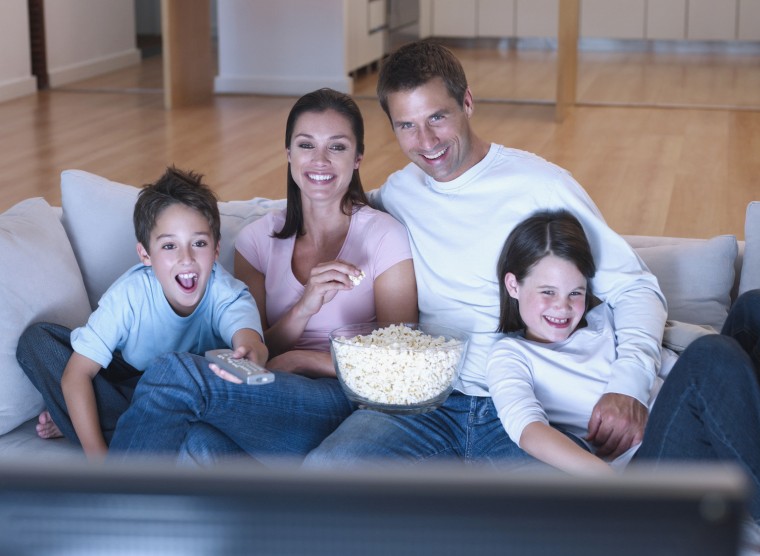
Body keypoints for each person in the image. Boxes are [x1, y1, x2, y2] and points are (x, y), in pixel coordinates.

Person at [303, 39, 667, 467]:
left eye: (438, 117)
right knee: (327, 471)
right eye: (407, 126)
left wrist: (628, 386)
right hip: (427, 397)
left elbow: (636, 288)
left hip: (525, 403)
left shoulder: (542, 187)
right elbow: (332, 209)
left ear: (467, 103)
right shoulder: (400, 192)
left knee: (570, 504)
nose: (426, 140)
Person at [107, 88, 418, 463]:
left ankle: (102, 494)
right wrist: (304, 307)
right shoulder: (257, 240)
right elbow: (259, 346)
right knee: (199, 442)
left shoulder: (384, 236)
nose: (319, 160)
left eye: (337, 147)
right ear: (288, 154)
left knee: (176, 371)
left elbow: (401, 362)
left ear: (357, 159)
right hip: (271, 397)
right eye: (306, 145)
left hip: (346, 402)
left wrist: (303, 360)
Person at [487, 209, 760, 524]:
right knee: (709, 355)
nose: (563, 306)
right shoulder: (511, 354)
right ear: (513, 285)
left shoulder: (605, 317)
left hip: (704, 412)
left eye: (575, 292)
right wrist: (615, 486)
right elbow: (528, 430)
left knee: (752, 307)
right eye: (547, 292)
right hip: (650, 468)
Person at [16, 167, 268, 460]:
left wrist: (250, 353)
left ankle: (83, 422)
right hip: (129, 386)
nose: (186, 258)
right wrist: (99, 460)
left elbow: (250, 339)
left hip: (190, 399)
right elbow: (78, 373)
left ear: (215, 250)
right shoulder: (129, 294)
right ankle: (108, 428)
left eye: (199, 243)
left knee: (204, 423)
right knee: (37, 341)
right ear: (145, 254)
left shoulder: (227, 292)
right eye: (169, 246)